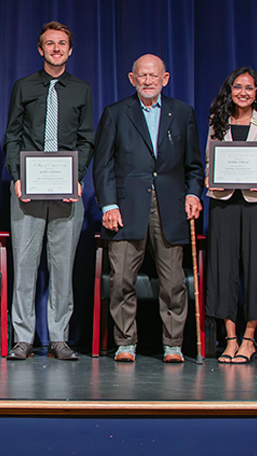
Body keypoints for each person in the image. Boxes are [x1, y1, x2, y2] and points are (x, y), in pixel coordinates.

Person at [92, 54, 203, 364]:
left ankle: (173, 345)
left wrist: (195, 194)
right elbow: (102, 166)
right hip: (126, 209)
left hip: (171, 209)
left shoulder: (182, 113)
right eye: (142, 75)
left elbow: (194, 165)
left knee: (173, 283)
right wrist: (109, 204)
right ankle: (125, 343)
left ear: (165, 79)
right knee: (122, 280)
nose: (148, 81)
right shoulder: (115, 113)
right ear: (132, 79)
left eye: (154, 76)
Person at [3, 21, 95, 361]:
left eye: (62, 44)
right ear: (40, 50)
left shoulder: (81, 89)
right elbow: (12, 136)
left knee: (62, 267)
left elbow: (87, 139)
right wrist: (16, 177)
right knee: (24, 267)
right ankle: (23, 338)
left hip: (66, 191)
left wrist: (78, 176)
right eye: (49, 44)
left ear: (70, 51)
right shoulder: (24, 87)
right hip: (27, 190)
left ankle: (59, 337)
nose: (56, 49)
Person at [204, 67, 257, 364]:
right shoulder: (218, 122)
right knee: (223, 270)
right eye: (237, 87)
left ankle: (249, 339)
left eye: (249, 88)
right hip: (223, 203)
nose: (243, 92)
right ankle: (229, 339)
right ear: (230, 90)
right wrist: (209, 178)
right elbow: (209, 162)